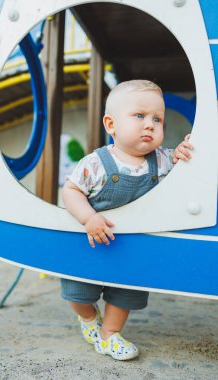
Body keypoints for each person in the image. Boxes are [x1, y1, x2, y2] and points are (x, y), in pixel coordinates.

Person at [61, 79, 193, 360]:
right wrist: (88, 217)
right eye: (139, 116)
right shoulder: (95, 164)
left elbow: (186, 174)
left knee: (125, 292)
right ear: (111, 125)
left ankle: (110, 334)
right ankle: (88, 319)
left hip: (133, 245)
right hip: (94, 241)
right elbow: (70, 191)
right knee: (78, 293)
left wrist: (183, 155)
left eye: (158, 119)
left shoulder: (164, 161)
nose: (150, 124)